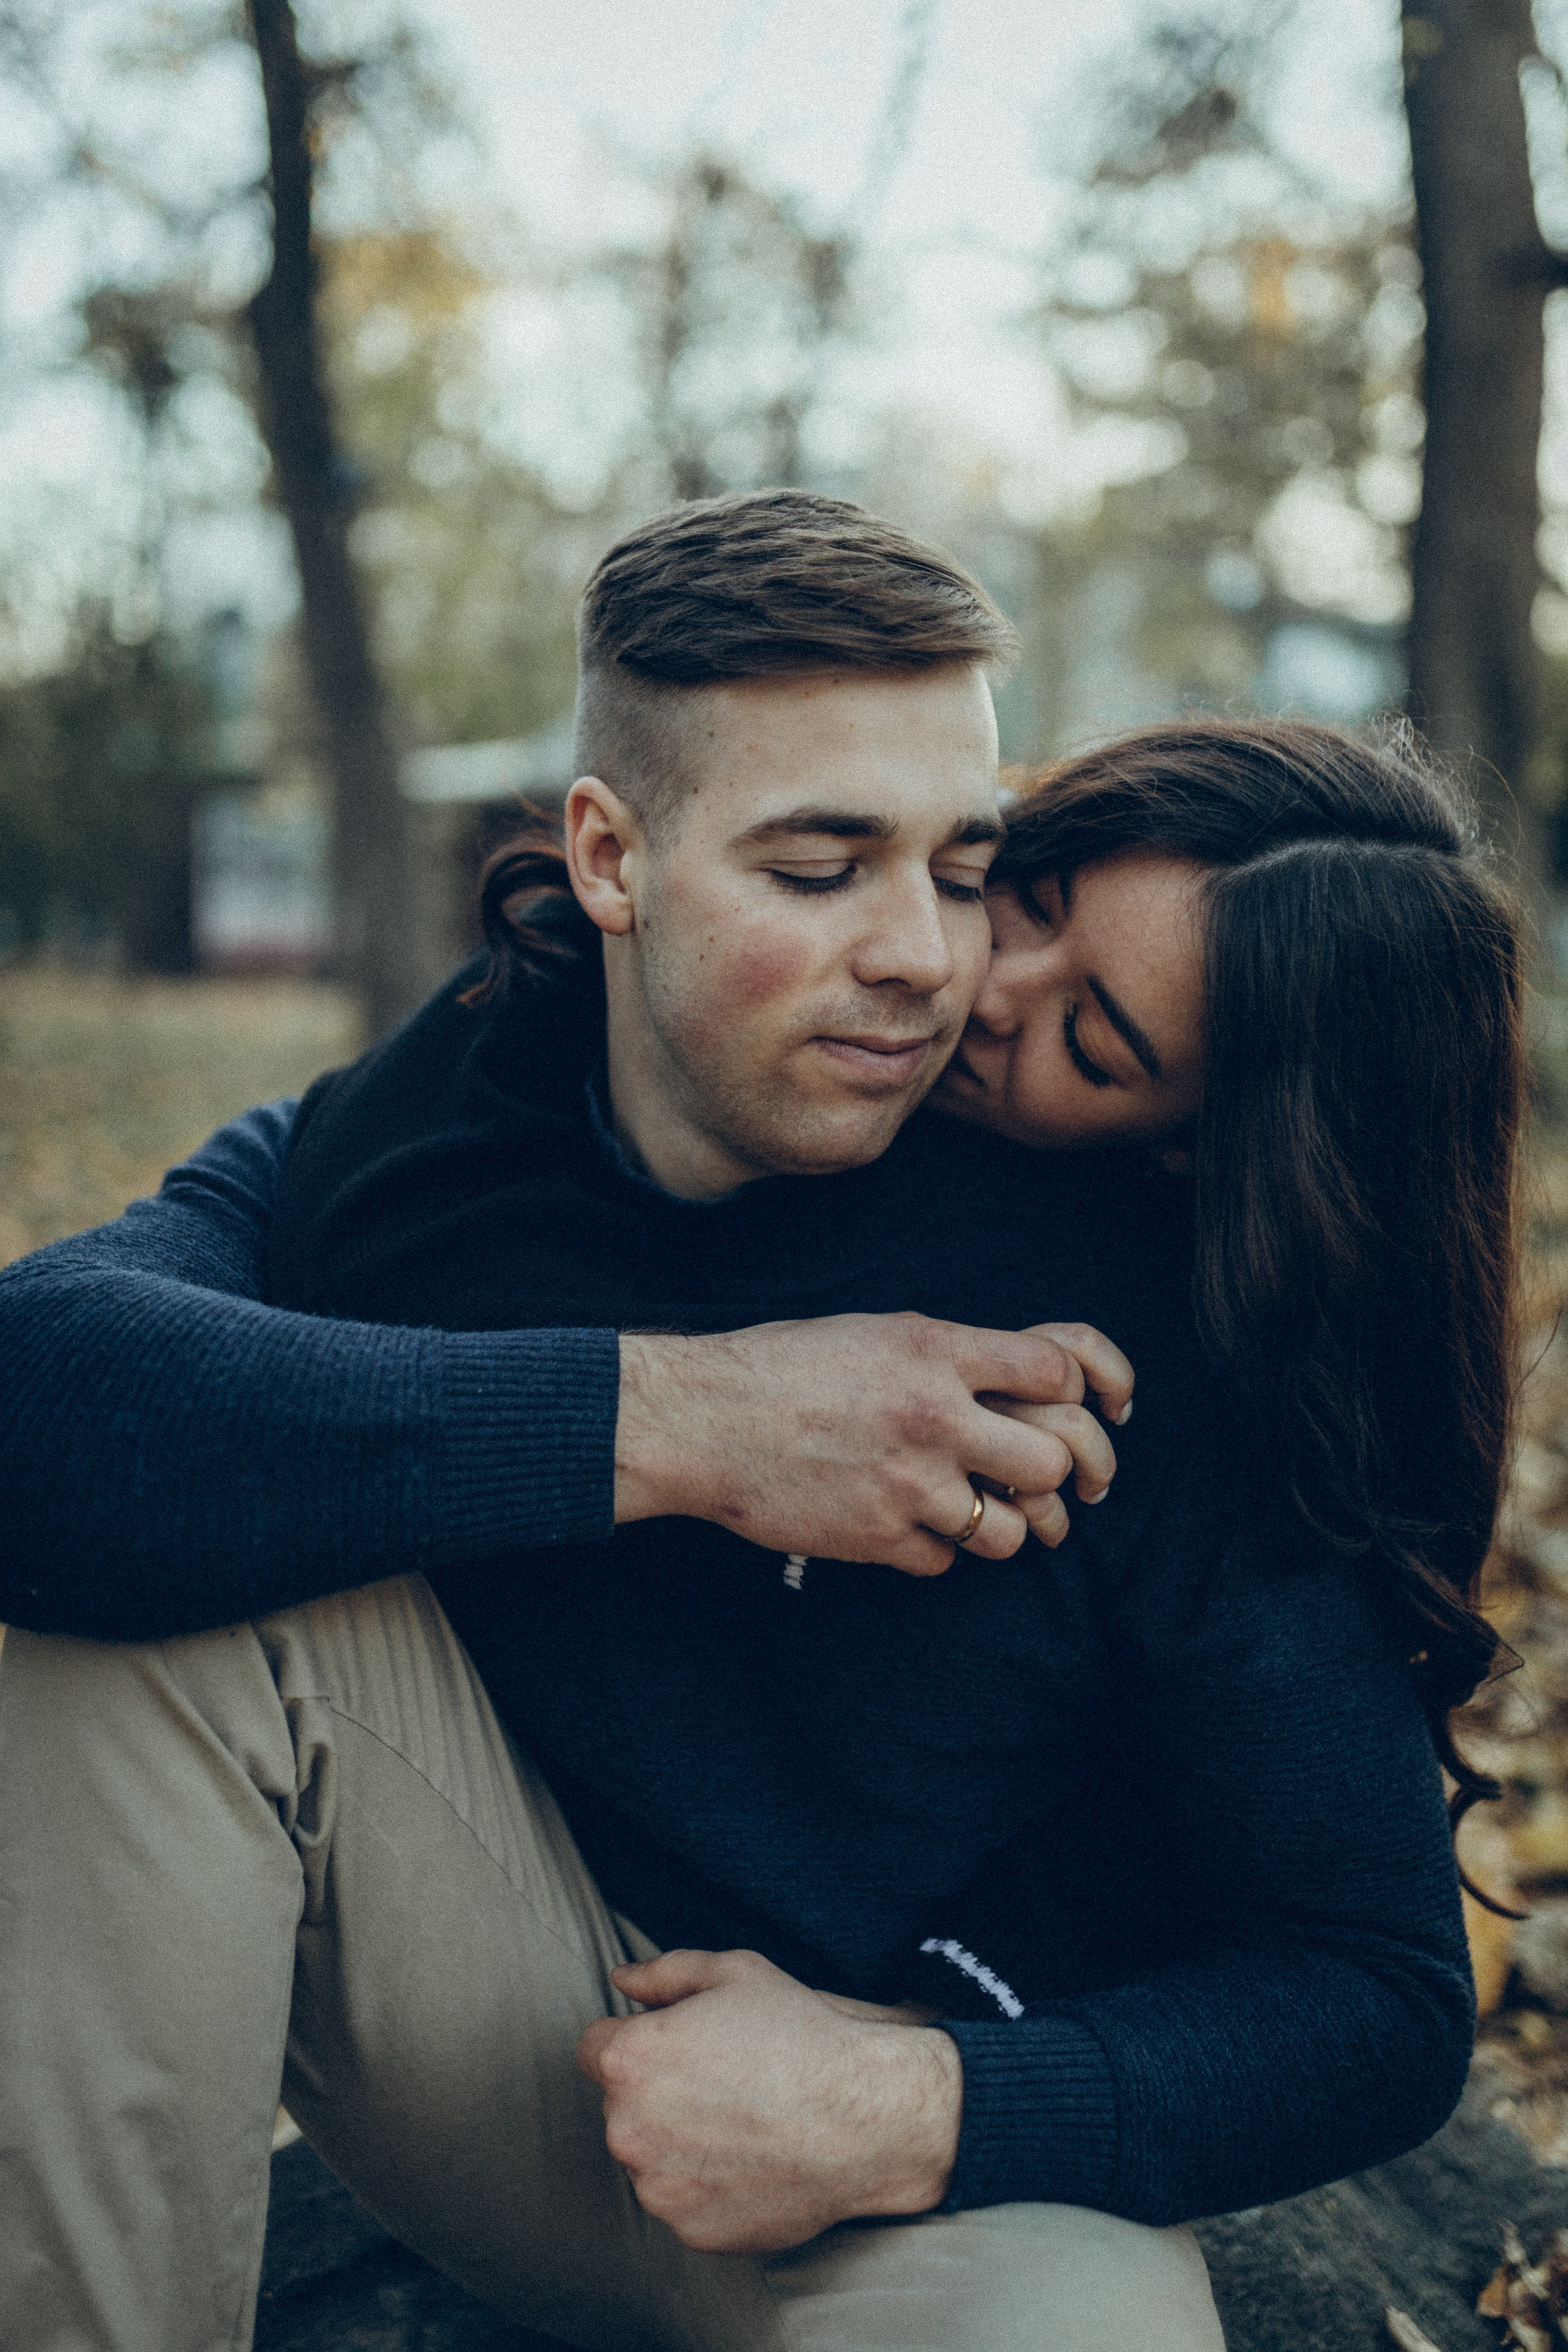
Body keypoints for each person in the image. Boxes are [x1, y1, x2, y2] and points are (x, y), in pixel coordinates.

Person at [0, 491, 1517, 2352]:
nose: (950, 973)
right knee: (110, 1571)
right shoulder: (473, 1092)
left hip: (909, 2141)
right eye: (833, 871)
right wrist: (696, 1423)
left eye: (959, 868)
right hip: (497, 2002)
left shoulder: (1163, 1349)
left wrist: (916, 2100)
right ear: (610, 861)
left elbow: (1376, 1994)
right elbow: (47, 1391)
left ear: (1198, 1140)